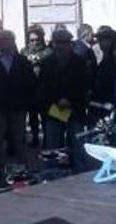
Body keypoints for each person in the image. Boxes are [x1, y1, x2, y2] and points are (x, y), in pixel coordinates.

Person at [0, 30, 37, 182]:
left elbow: (31, 81)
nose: (5, 43)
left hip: (18, 107)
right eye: (2, 40)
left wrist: (25, 98)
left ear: (12, 42)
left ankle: (22, 167)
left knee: (19, 138)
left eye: (8, 40)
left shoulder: (21, 61)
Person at [37, 29, 89, 170]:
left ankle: (80, 170)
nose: (61, 46)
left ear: (70, 44)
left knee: (78, 141)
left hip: (74, 107)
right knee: (52, 143)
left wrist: (70, 100)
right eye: (58, 42)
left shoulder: (79, 62)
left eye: (65, 43)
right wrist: (58, 99)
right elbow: (43, 87)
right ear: (53, 44)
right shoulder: (46, 62)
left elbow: (84, 85)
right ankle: (52, 171)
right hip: (54, 108)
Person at [21, 25, 51, 148]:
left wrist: (38, 59)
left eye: (37, 40)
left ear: (41, 39)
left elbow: (49, 60)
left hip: (44, 89)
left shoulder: (47, 51)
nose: (35, 43)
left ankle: (46, 140)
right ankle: (34, 138)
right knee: (32, 116)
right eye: (32, 40)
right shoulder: (24, 51)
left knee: (45, 116)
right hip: (29, 89)